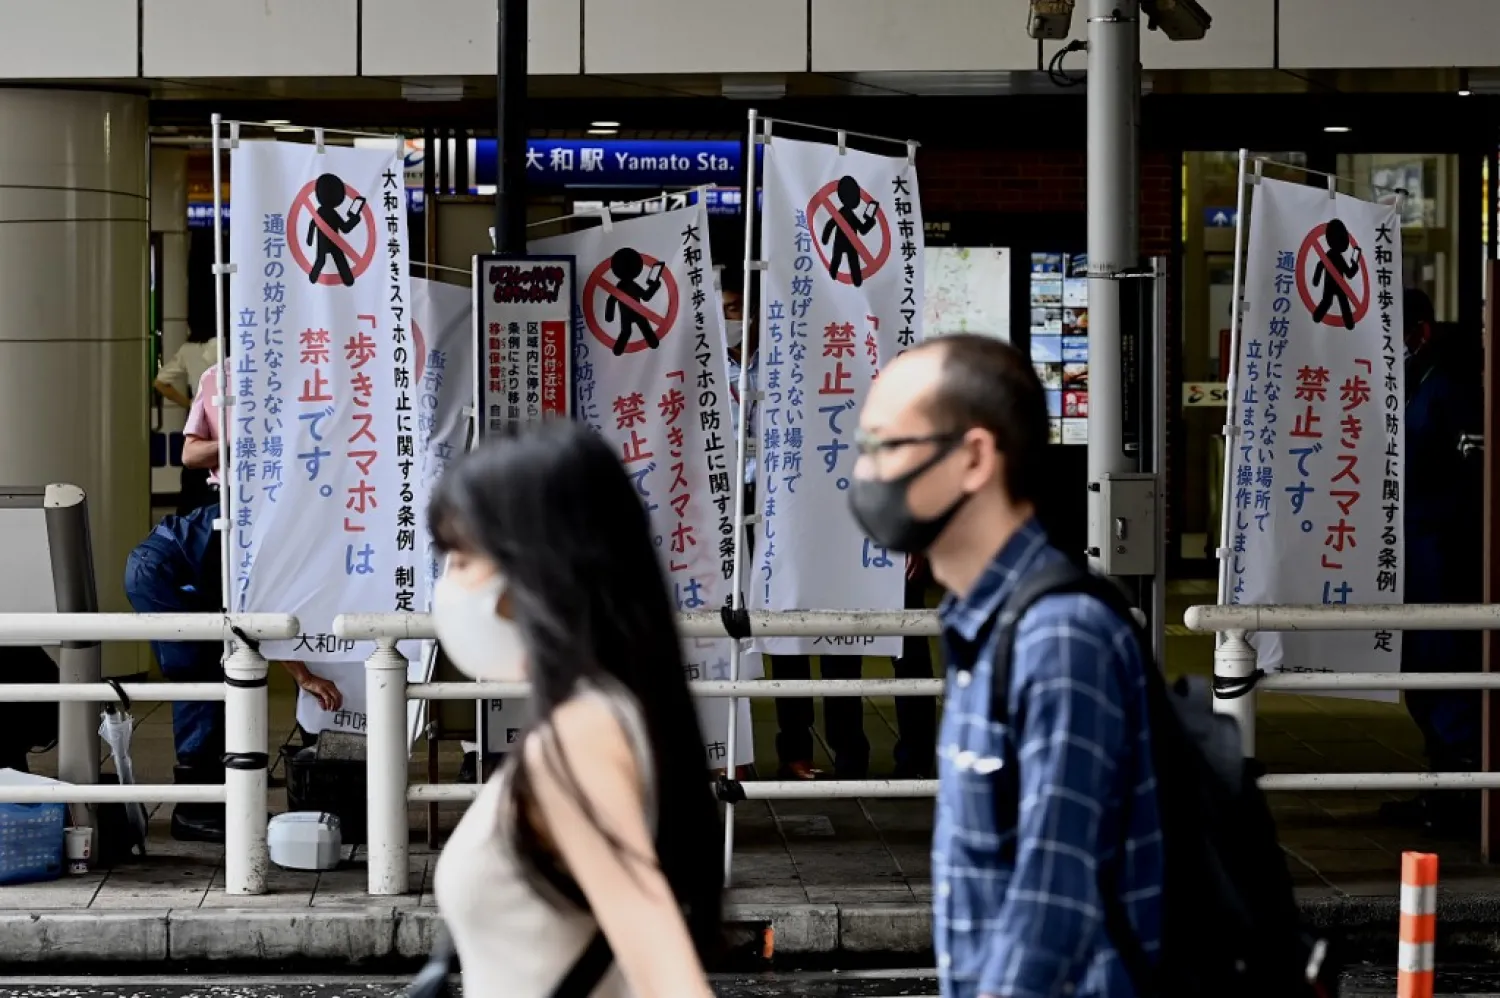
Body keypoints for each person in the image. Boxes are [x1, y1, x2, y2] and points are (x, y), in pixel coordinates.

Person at [848, 334, 1163, 998]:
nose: (866, 473)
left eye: (885, 446)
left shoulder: (1059, 637)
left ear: (973, 459)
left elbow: (1053, 903)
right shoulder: (984, 625)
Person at [428, 421, 721, 997]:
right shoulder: (611, 707)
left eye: (462, 561)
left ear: (536, 565)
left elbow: (668, 977)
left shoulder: (582, 732)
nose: (449, 585)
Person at [124, 504, 342, 842]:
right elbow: (256, 614)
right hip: (165, 573)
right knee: (200, 679)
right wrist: (303, 675)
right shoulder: (284, 522)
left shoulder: (287, 506)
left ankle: (222, 793)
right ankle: (195, 811)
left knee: (216, 673)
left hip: (181, 567)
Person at [1383, 288, 1485, 835]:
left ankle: (1463, 797)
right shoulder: (1412, 382)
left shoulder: (1449, 384)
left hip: (1445, 556)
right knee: (1422, 679)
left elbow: (1475, 480)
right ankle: (1440, 789)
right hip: (1416, 554)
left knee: (1448, 678)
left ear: (1419, 331)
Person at [155, 328, 221, 514]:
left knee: (193, 475)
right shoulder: (232, 344)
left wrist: (190, 404)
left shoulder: (188, 350)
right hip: (228, 418)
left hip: (201, 419)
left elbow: (160, 383)